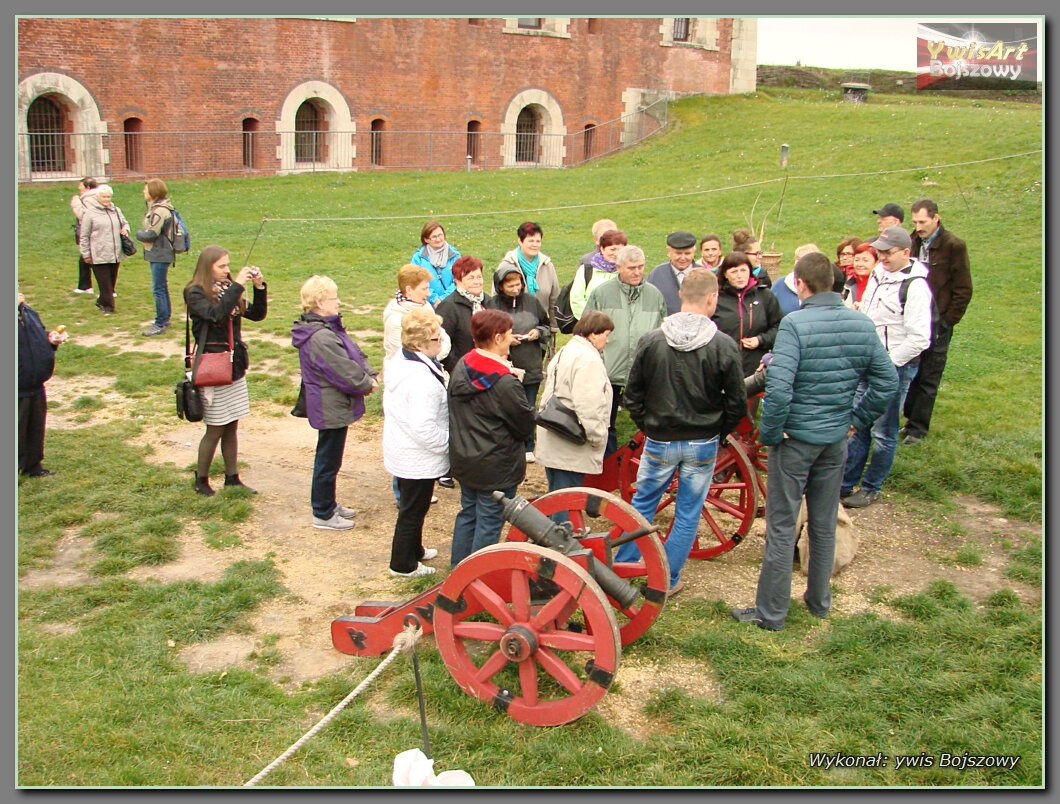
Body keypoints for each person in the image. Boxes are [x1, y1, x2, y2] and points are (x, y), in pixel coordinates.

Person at [731, 252, 897, 631]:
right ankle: (819, 601)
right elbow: (886, 382)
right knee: (823, 522)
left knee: (782, 526)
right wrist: (855, 419)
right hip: (834, 439)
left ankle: (771, 613)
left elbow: (780, 385)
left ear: (801, 285)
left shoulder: (795, 326)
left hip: (796, 440)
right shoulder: (860, 324)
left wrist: (771, 434)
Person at [613, 269, 746, 595]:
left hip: (660, 439)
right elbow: (737, 402)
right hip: (702, 442)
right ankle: (667, 580)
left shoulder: (652, 340)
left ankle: (622, 573)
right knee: (687, 512)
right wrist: (719, 431)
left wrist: (649, 426)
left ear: (680, 297)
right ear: (712, 298)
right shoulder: (723, 345)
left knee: (641, 506)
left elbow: (633, 395)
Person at [841, 226, 932, 509]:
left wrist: (888, 363)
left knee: (884, 430)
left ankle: (871, 487)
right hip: (866, 361)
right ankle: (846, 481)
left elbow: (920, 338)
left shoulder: (915, 287)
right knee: (858, 423)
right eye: (879, 252)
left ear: (906, 252)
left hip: (895, 366)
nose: (882, 257)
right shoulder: (878, 276)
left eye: (888, 253)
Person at [447, 309, 535, 566]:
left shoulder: (463, 364)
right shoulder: (505, 383)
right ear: (497, 338)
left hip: (466, 457)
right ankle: (476, 578)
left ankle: (459, 569)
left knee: (469, 513)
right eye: (508, 335)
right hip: (496, 464)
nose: (511, 339)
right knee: (489, 520)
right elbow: (524, 425)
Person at [292, 275, 378, 530]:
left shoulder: (326, 328)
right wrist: (366, 383)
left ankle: (328, 504)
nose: (338, 301)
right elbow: (341, 369)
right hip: (329, 405)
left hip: (332, 403)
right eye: (334, 297)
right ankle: (322, 512)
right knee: (328, 460)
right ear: (320, 302)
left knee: (330, 457)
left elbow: (352, 353)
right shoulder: (320, 336)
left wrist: (367, 373)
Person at [185, 245, 267, 496]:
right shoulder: (195, 292)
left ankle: (232, 478)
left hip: (233, 367)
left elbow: (257, 314)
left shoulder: (227, 290)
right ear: (206, 267)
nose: (227, 270)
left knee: (232, 425)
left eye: (228, 265)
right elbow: (216, 315)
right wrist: (238, 286)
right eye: (221, 266)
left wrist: (259, 288)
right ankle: (201, 481)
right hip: (212, 367)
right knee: (215, 427)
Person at [583, 244, 668, 455]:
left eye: (640, 267)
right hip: (608, 371)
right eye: (632, 268)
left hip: (642, 373)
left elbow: (662, 333)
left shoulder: (654, 296)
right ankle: (607, 464)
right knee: (606, 423)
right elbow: (585, 331)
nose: (637, 272)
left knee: (648, 423)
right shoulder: (601, 294)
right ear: (618, 267)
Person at [901, 198, 973, 446]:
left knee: (930, 373)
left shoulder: (953, 246)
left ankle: (918, 428)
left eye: (922, 221)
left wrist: (947, 321)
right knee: (912, 368)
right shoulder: (911, 242)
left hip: (938, 320)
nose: (919, 227)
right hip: (912, 317)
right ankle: (909, 418)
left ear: (936, 218)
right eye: (915, 222)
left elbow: (963, 288)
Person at [383, 307, 448, 576]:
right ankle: (402, 564)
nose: (441, 341)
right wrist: (448, 445)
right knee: (412, 509)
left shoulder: (404, 360)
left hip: (404, 448)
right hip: (417, 455)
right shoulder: (421, 381)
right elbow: (424, 427)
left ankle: (415, 548)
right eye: (436, 339)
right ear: (420, 344)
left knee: (416, 506)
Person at [534, 311, 614, 494]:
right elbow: (589, 406)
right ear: (594, 333)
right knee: (567, 500)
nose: (607, 341)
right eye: (606, 335)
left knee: (556, 496)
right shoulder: (588, 360)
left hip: (555, 439)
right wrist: (596, 437)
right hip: (570, 446)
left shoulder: (567, 350)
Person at [486, 263, 550, 462]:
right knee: (503, 407)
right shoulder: (493, 305)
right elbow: (485, 333)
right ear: (500, 286)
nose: (515, 289)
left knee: (527, 407)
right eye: (510, 286)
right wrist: (506, 339)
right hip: (503, 367)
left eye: (518, 285)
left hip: (530, 363)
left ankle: (528, 445)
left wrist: (538, 333)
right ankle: (505, 445)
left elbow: (546, 325)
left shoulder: (532, 302)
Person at [711, 251, 783, 377]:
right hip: (724, 369)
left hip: (756, 370)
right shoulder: (716, 298)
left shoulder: (765, 296)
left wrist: (760, 340)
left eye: (743, 270)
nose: (739, 276)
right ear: (725, 274)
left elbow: (779, 328)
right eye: (734, 271)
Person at [18, 292, 65, 478]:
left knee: (35, 427)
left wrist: (50, 340)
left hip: (35, 383)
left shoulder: (28, 312)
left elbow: (35, 338)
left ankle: (33, 465)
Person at [497, 221, 560, 330]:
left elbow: (554, 300)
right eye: (531, 241)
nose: (535, 245)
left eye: (538, 241)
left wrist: (553, 328)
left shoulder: (547, 266)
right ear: (520, 241)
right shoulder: (506, 266)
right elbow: (496, 302)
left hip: (541, 330)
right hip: (512, 331)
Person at [78, 184, 130, 315]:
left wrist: (125, 229)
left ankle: (102, 300)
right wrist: (85, 253)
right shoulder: (90, 213)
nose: (106, 199)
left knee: (111, 282)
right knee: (104, 282)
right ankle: (108, 307)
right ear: (98, 197)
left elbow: (125, 222)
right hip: (98, 253)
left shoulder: (116, 210)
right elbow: (84, 235)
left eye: (108, 197)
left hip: (115, 252)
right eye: (103, 197)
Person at [135, 178, 177, 336]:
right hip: (159, 252)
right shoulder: (158, 208)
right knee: (162, 286)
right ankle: (165, 318)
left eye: (146, 190)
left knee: (158, 288)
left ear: (153, 192)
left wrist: (138, 234)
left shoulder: (159, 210)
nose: (143, 192)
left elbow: (152, 233)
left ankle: (160, 322)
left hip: (160, 252)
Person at [383, 264, 452, 360]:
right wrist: (434, 352)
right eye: (424, 289)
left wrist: (434, 352)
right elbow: (403, 355)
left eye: (428, 288)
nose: (428, 294)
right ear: (409, 290)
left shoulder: (426, 306)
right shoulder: (395, 320)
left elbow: (443, 337)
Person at [437, 255, 488, 374]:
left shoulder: (488, 302)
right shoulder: (448, 307)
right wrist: (462, 370)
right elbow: (442, 347)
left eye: (479, 277)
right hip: (463, 374)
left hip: (489, 371)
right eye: (471, 278)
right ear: (458, 281)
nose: (477, 282)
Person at [568, 228, 628, 321]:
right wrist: (593, 322)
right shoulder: (585, 270)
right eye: (612, 249)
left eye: (620, 250)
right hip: (590, 327)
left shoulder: (628, 272)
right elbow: (576, 300)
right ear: (602, 249)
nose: (616, 253)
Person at [646, 230, 700, 315]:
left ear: (694, 252)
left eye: (687, 253)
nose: (683, 258)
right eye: (678, 253)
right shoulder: (657, 275)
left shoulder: (705, 276)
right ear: (668, 252)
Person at [410, 220, 461, 306]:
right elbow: (416, 281)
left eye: (440, 235)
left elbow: (459, 280)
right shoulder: (418, 258)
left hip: (452, 303)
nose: (438, 239)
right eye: (434, 237)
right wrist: (434, 299)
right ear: (426, 239)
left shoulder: (455, 255)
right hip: (426, 305)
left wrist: (443, 299)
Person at [771, 243, 823, 316]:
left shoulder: (821, 287)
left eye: (803, 260)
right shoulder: (780, 285)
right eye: (797, 259)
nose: (798, 263)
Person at [70, 177, 98, 294]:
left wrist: (75, 203)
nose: (79, 189)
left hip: (91, 234)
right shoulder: (94, 197)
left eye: (81, 187)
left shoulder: (89, 199)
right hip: (92, 233)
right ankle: (85, 286)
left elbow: (84, 216)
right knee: (84, 259)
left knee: (90, 259)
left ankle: (88, 287)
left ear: (87, 188)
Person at [842, 243, 877, 309]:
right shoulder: (848, 285)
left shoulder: (880, 285)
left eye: (865, 260)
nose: (860, 264)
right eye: (857, 260)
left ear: (877, 262)